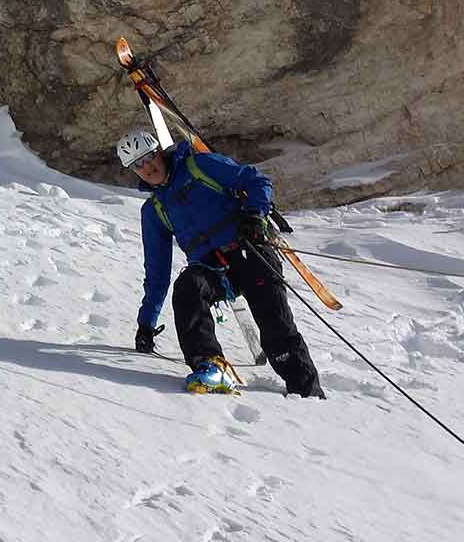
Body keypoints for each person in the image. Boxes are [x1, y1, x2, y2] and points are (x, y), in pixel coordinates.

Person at [117, 128, 324, 398]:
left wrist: (254, 214)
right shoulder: (154, 210)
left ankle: (306, 391)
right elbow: (157, 272)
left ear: (158, 152)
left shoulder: (198, 165)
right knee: (188, 287)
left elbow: (256, 181)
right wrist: (146, 323)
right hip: (213, 269)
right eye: (137, 165)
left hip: (250, 249)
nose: (146, 167)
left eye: (147, 157)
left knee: (275, 325)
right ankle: (210, 366)